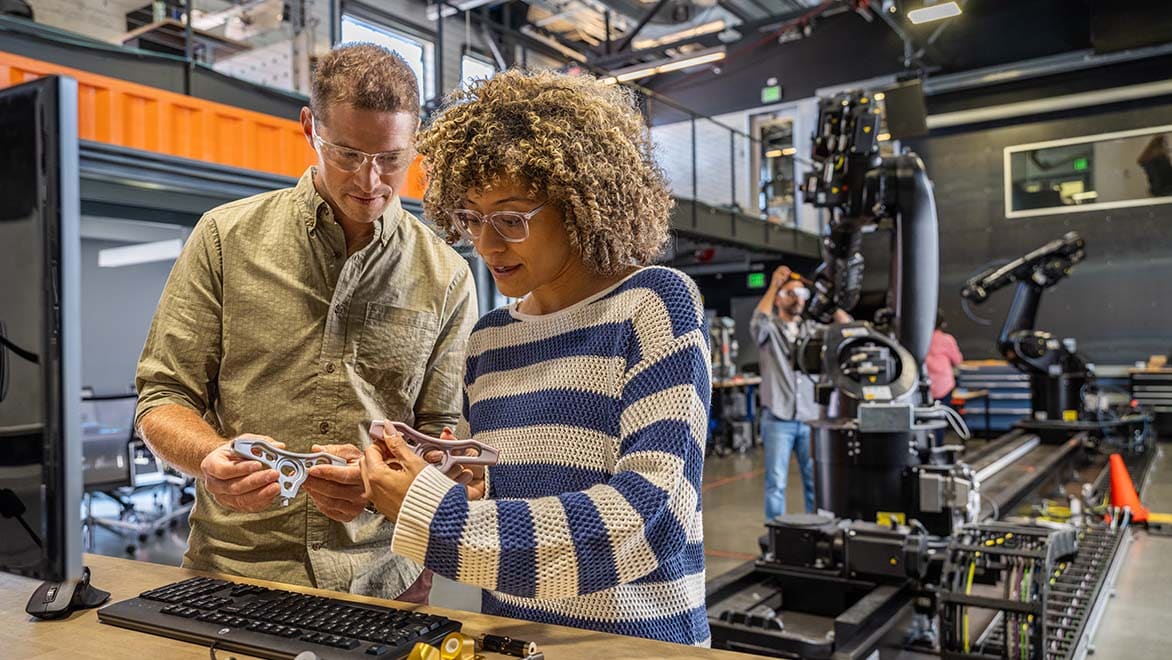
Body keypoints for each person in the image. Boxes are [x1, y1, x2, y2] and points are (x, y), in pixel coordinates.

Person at [358, 70, 712, 646]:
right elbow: (481, 498)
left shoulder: (653, 304)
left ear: (580, 203)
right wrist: (393, 483)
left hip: (636, 646)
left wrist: (434, 515)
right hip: (514, 641)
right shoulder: (491, 338)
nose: (488, 245)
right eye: (472, 219)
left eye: (512, 219)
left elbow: (650, 519)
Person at [134, 43, 478, 602]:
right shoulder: (225, 238)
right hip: (234, 570)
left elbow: (442, 431)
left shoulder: (446, 275)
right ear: (309, 127)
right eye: (347, 153)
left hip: (382, 578)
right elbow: (163, 396)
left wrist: (376, 486)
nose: (370, 181)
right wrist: (208, 457)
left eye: (392, 158)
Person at [751, 265, 848, 520]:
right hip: (778, 419)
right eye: (791, 293)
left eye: (801, 294)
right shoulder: (770, 331)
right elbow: (757, 322)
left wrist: (825, 298)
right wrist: (774, 285)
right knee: (776, 484)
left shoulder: (813, 331)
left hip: (809, 418)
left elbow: (847, 329)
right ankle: (775, 538)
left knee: (815, 481)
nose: (797, 299)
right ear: (780, 299)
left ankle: (817, 531)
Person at [926, 309, 964, 440]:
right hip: (944, 384)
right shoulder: (947, 340)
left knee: (927, 418)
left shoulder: (921, 338)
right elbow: (958, 360)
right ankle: (938, 447)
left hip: (926, 385)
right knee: (941, 416)